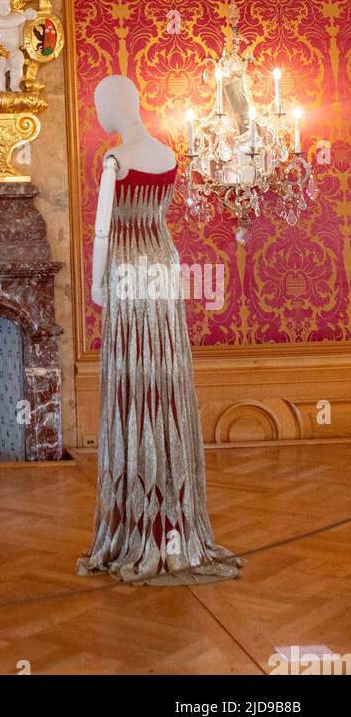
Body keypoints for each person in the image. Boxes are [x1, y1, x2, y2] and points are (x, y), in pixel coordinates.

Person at [78, 74, 242, 585]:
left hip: (127, 268)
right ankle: (175, 520)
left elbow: (104, 229)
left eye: (102, 104)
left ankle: (137, 526)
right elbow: (160, 217)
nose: (100, 113)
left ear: (115, 107)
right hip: (162, 265)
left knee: (134, 374)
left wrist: (96, 282)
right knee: (165, 375)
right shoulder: (169, 156)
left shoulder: (115, 160)